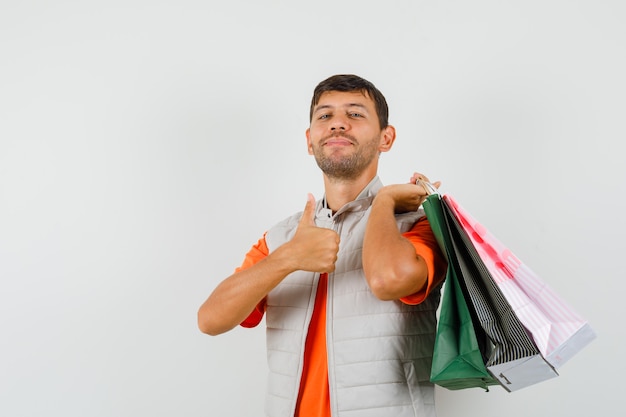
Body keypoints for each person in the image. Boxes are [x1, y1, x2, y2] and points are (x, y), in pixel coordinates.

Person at [198, 74, 447, 417]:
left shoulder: (419, 225)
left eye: (356, 114)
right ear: (309, 139)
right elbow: (210, 320)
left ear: (385, 138)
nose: (338, 124)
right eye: (324, 116)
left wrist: (385, 201)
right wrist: (288, 258)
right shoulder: (282, 238)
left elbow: (390, 280)